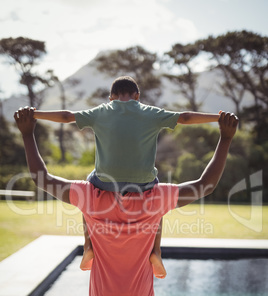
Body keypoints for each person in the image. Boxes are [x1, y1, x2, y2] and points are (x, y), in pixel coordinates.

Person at [14, 106, 238, 296]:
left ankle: (89, 244)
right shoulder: (156, 197)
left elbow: (42, 178)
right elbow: (204, 185)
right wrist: (225, 138)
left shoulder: (90, 196)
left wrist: (28, 134)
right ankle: (152, 247)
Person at [32, 76, 222, 278]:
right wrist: (218, 119)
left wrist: (35, 114)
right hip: (144, 185)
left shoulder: (101, 111)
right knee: (158, 197)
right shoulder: (151, 113)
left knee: (86, 189)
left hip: (105, 184)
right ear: (137, 96)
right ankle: (156, 251)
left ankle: (88, 246)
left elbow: (66, 116)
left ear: (111, 97)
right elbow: (184, 118)